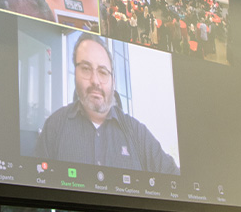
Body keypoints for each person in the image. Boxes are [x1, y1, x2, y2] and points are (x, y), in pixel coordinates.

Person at [34, 33, 180, 174]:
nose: (95, 81)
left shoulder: (137, 133)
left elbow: (174, 178)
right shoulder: (54, 126)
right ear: (75, 74)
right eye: (86, 69)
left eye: (103, 72)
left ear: (113, 82)